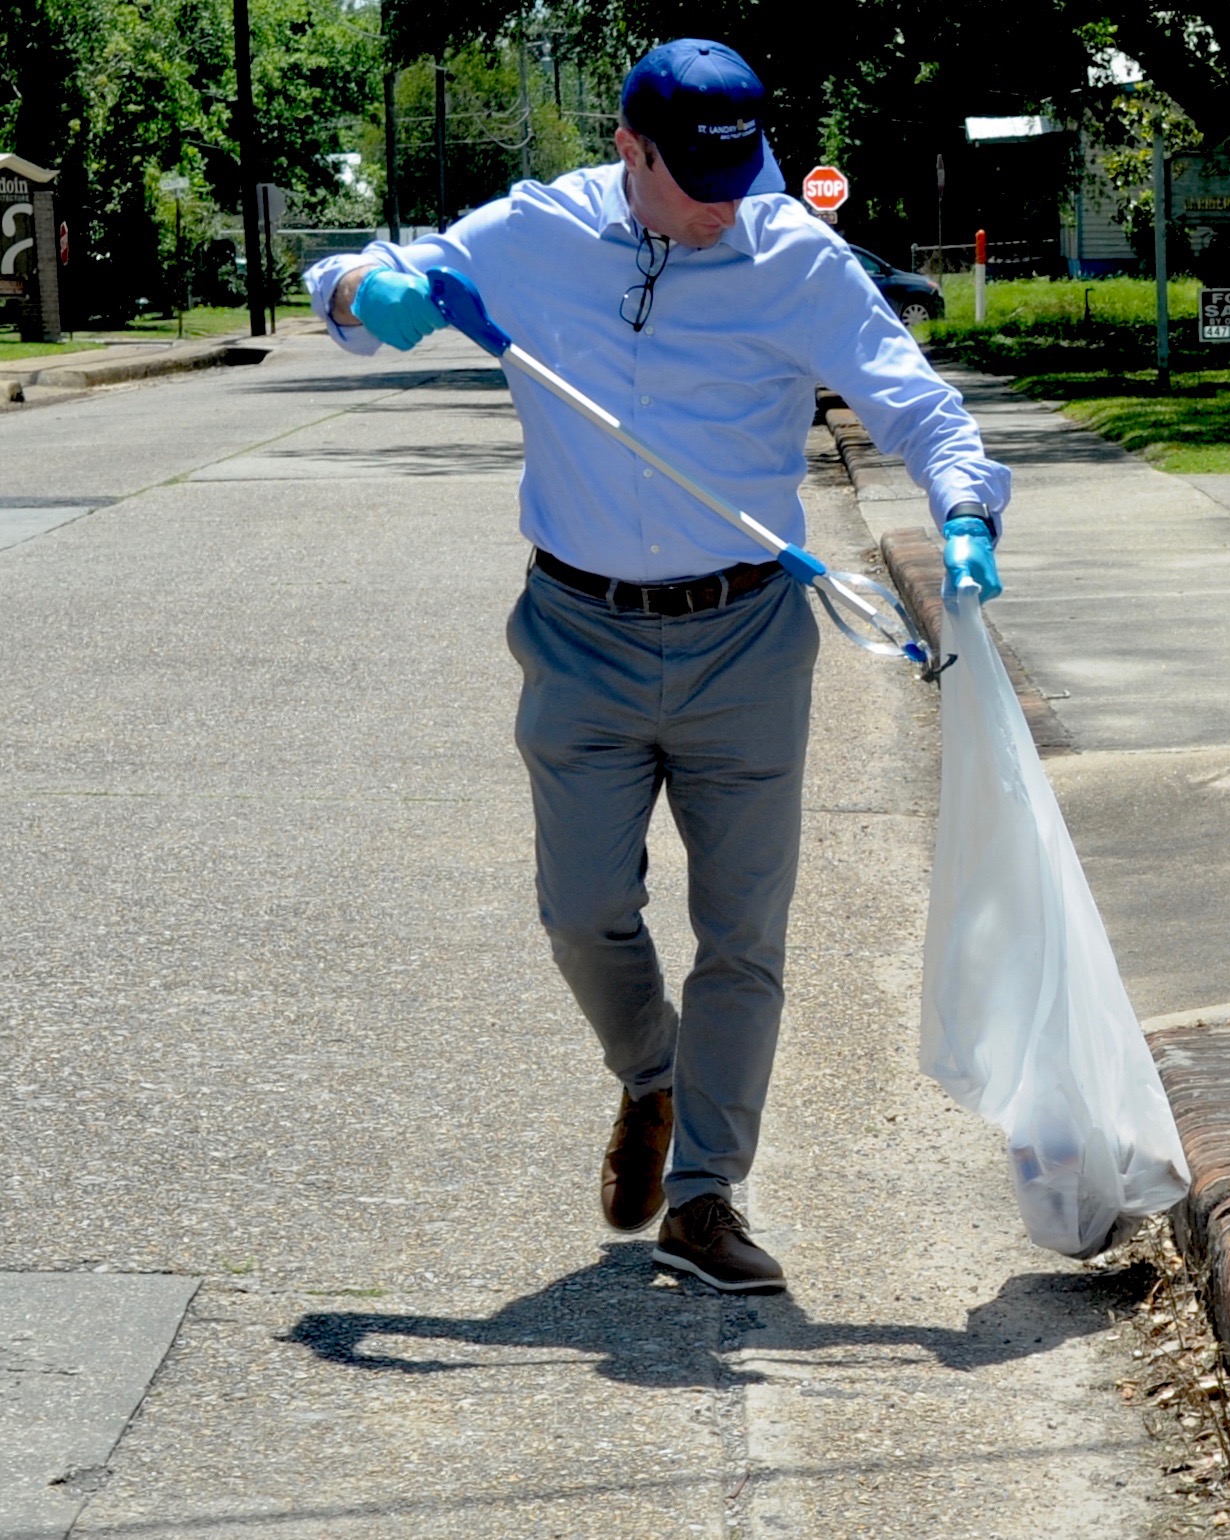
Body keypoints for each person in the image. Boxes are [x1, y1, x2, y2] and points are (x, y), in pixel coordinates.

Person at [304, 37, 1009, 1293]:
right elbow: (355, 275)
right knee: (581, 911)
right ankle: (652, 1074)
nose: (720, 200)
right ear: (627, 148)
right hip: (577, 629)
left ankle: (706, 1196)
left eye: (738, 170)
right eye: (690, 175)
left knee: (743, 932)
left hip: (746, 638)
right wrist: (368, 294)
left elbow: (914, 402)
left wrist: (964, 507)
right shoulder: (539, 232)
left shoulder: (791, 251)